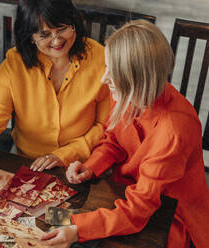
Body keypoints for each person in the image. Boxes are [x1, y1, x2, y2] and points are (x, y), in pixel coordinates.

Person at [40, 20, 209, 248]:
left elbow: (139, 210)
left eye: (113, 72)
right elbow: (113, 139)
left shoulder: (175, 130)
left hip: (169, 214)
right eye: (107, 68)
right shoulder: (126, 93)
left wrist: (78, 230)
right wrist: (92, 167)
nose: (104, 79)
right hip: (124, 192)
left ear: (137, 79)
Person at [0, 0, 109, 187]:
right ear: (30, 35)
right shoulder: (14, 66)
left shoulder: (101, 58)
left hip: (84, 165)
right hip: (28, 162)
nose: (57, 40)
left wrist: (66, 154)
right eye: (44, 34)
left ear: (74, 23)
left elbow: (105, 124)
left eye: (62, 29)